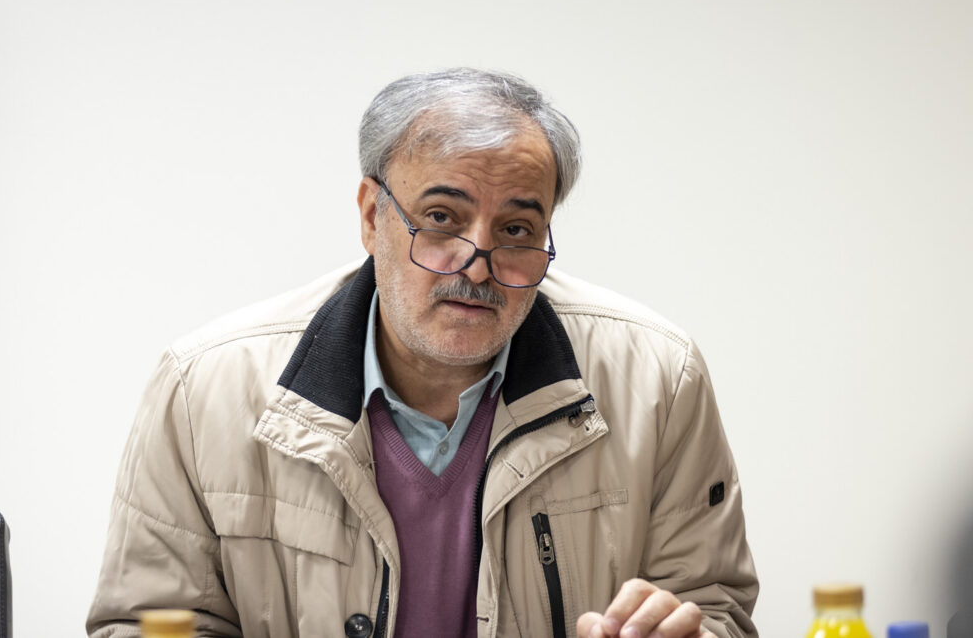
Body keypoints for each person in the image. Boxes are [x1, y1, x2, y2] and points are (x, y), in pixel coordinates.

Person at [87, 68, 758, 638]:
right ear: (371, 215)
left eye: (516, 228)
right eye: (441, 218)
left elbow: (717, 608)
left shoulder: (658, 381)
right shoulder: (204, 389)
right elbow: (143, 622)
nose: (477, 262)